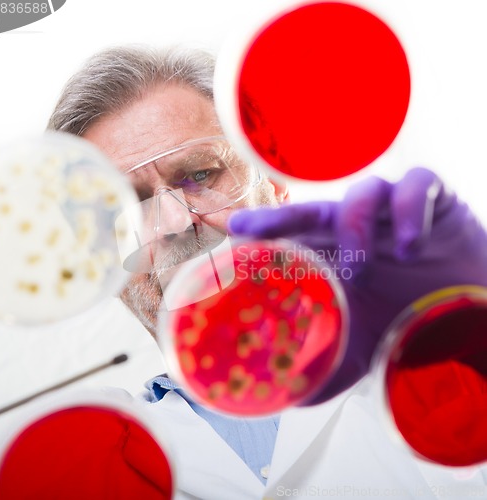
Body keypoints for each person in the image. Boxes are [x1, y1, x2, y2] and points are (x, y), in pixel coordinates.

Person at [48, 45, 487, 499]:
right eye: (126, 205)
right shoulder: (87, 471)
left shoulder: (448, 371)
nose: (176, 222)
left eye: (199, 174)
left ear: (273, 185)